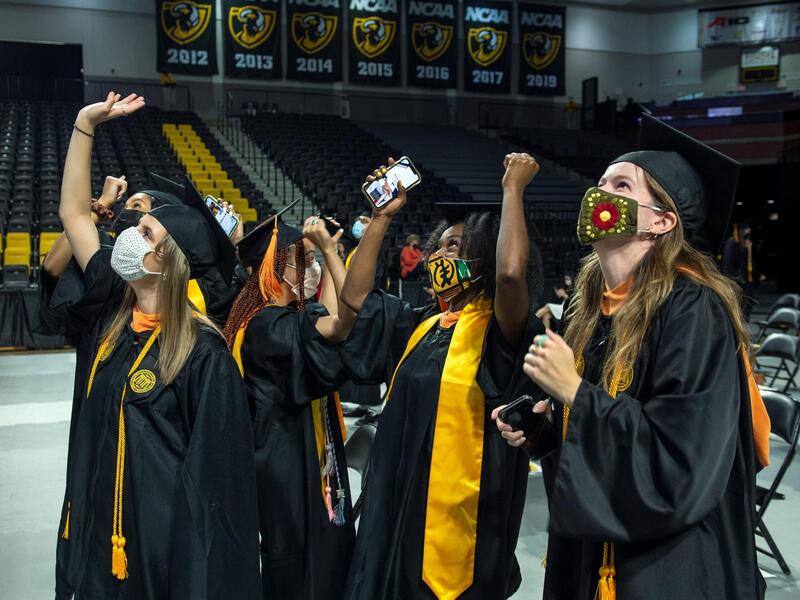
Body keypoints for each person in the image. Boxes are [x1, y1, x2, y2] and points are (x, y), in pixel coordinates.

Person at [495, 115, 771, 600]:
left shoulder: (692, 309)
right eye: (600, 182)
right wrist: (546, 432)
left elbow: (682, 459)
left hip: (668, 565)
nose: (598, 195)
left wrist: (576, 393)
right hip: (589, 551)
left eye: (621, 185)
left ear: (662, 222)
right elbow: (598, 437)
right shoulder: (590, 311)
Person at [51, 92, 260, 599]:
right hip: (102, 537)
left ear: (167, 261)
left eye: (144, 231)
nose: (128, 233)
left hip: (159, 556)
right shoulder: (115, 318)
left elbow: (216, 492)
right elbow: (75, 216)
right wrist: (85, 124)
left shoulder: (202, 355)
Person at [340, 154, 543, 600]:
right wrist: (379, 218)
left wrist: (513, 191)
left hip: (462, 522)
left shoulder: (501, 331)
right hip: (399, 506)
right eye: (441, 245)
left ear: (485, 255)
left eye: (457, 246)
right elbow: (354, 297)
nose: (441, 255)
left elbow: (510, 276)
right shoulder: (423, 324)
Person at [222, 205, 356, 600]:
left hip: (292, 458)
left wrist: (335, 255)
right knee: (295, 563)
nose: (312, 270)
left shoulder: (266, 317)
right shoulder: (266, 325)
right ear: (276, 269)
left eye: (314, 261)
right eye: (306, 261)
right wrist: (333, 259)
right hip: (283, 467)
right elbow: (335, 328)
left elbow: (325, 323)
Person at [41, 172, 246, 327]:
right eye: (126, 205)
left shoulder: (199, 280)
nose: (126, 211)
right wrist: (101, 206)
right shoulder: (110, 257)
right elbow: (52, 267)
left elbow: (242, 307)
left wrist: (235, 244)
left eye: (137, 206)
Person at [721, 223, 756, 317]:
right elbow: (728, 263)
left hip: (743, 279)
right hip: (734, 279)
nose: (747, 237)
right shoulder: (732, 243)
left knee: (746, 302)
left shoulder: (744, 244)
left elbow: (748, 263)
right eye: (746, 234)